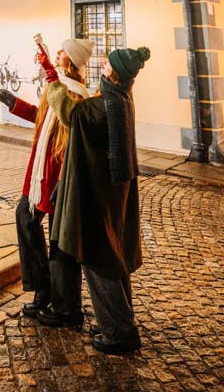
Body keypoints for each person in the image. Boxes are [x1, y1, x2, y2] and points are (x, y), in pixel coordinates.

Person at [44, 46, 150, 354]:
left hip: (97, 193)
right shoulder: (121, 99)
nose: (101, 64)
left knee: (98, 259)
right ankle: (121, 322)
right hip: (115, 193)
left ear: (114, 73)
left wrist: (52, 79)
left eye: (106, 64)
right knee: (114, 258)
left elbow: (69, 112)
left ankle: (119, 332)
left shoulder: (102, 105)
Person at [0, 37, 93, 325]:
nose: (58, 53)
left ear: (71, 61)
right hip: (38, 173)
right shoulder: (59, 86)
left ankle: (64, 303)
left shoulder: (76, 94)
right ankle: (43, 289)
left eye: (63, 51)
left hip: (57, 176)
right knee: (25, 219)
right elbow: (43, 116)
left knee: (60, 241)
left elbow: (71, 131)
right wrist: (16, 104)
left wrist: (63, 182)